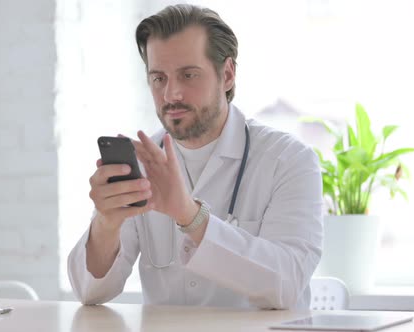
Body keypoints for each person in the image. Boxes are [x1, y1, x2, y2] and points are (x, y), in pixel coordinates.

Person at [68, 4, 323, 309]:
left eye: (188, 75)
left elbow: (287, 284)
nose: (171, 94)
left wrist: (191, 217)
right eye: (158, 78)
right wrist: (107, 222)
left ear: (227, 75)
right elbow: (91, 292)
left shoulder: (289, 161)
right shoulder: (142, 162)